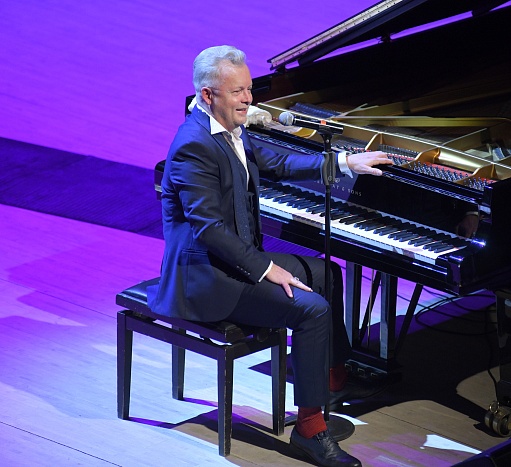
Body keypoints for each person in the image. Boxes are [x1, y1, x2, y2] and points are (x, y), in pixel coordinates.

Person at [147, 45, 393, 467]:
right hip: (205, 281)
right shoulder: (193, 146)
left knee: (327, 275)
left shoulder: (229, 128)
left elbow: (276, 160)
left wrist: (343, 162)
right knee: (312, 310)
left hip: (230, 266)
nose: (249, 99)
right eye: (238, 92)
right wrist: (267, 268)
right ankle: (310, 430)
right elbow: (209, 230)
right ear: (208, 95)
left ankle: (333, 378)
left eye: (249, 89)